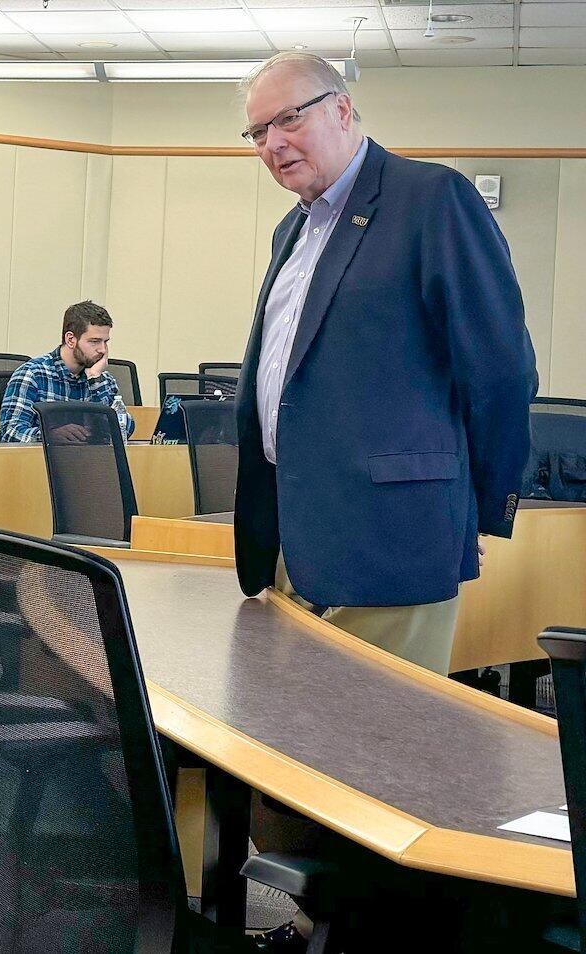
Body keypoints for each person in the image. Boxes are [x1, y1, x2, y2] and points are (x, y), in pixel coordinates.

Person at [232, 52, 535, 675]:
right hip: (296, 537)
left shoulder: (432, 200)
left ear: (342, 110)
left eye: (287, 119)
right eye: (258, 132)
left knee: (371, 757)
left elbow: (501, 370)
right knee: (296, 750)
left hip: (393, 538)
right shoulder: (291, 230)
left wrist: (476, 503)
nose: (273, 143)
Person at [0, 301, 133, 444]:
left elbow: (125, 430)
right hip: (40, 464)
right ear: (71, 339)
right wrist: (49, 436)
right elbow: (8, 433)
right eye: (94, 341)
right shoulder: (33, 374)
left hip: (91, 462)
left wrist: (95, 381)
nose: (103, 350)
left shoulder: (102, 378)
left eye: (105, 342)